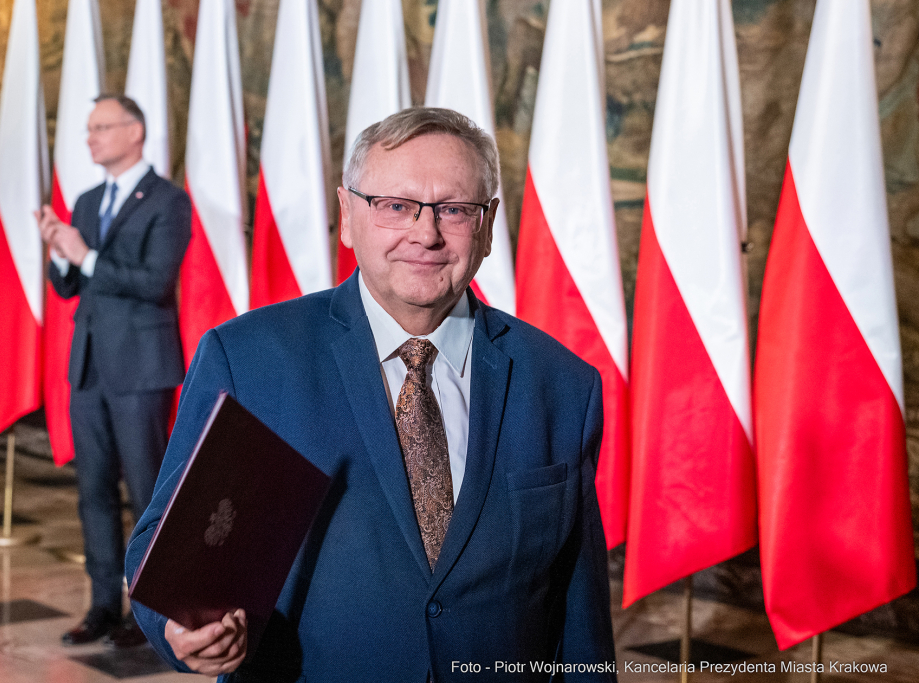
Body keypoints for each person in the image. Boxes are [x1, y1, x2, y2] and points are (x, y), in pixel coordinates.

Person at [125, 107, 616, 681]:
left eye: (454, 210)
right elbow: (166, 547)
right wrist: (182, 630)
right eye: (395, 207)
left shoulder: (560, 383)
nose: (425, 233)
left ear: (486, 226)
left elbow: (580, 616)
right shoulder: (250, 359)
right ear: (348, 217)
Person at [38, 94, 191, 648]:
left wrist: (85, 255)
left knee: (147, 492)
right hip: (90, 368)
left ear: (135, 132)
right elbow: (69, 287)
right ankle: (103, 603)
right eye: (88, 128)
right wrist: (60, 252)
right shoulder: (84, 201)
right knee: (92, 490)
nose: (90, 137)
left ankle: (150, 615)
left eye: (102, 127)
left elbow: (155, 284)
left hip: (141, 369)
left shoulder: (169, 201)